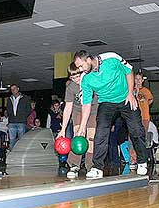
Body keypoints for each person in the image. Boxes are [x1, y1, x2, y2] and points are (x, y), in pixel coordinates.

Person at [74, 50, 147, 178]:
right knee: (101, 132)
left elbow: (129, 71)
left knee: (136, 129)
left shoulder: (111, 58)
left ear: (88, 59)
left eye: (81, 66)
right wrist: (82, 128)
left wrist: (130, 93)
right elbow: (86, 104)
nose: (80, 69)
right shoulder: (85, 79)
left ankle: (142, 162)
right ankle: (97, 168)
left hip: (125, 97)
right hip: (106, 102)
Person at [57, 62, 98, 179]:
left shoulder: (91, 82)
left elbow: (89, 105)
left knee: (91, 138)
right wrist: (63, 129)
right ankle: (74, 165)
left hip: (93, 110)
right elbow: (68, 108)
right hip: (78, 111)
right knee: (77, 136)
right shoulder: (71, 87)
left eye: (78, 76)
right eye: (73, 77)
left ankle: (91, 166)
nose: (76, 80)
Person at [7, 84, 30, 149]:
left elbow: (28, 109)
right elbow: (8, 109)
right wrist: (10, 117)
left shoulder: (25, 98)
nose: (13, 90)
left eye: (14, 88)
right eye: (11, 89)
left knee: (21, 140)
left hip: (21, 122)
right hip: (12, 122)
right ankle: (12, 155)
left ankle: (20, 154)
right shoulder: (10, 99)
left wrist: (23, 117)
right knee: (12, 140)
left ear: (18, 89)